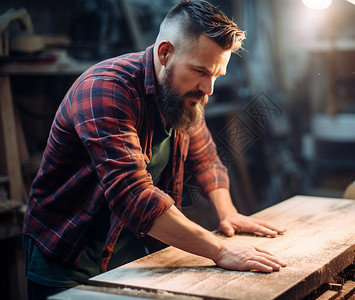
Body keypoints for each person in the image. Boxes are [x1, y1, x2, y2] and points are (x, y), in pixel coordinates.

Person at [22, 0, 286, 299]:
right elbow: (133, 195)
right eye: (200, 71)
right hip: (67, 253)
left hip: (127, 251)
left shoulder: (181, 94)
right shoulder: (105, 89)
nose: (209, 88)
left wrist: (228, 212)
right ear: (165, 53)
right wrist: (220, 250)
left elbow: (205, 158)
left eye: (217, 75)